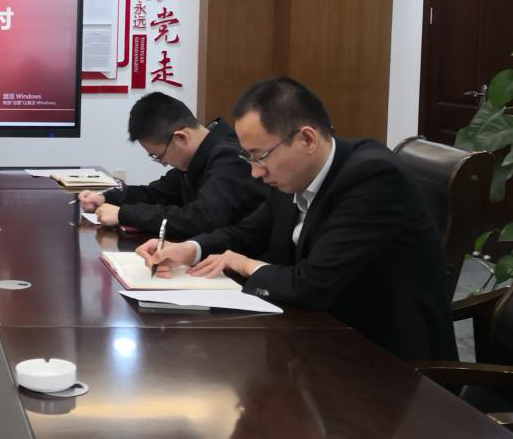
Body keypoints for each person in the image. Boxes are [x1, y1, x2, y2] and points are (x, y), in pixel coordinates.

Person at [139, 76, 456, 361]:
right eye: (248, 157)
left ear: (307, 139)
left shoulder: (372, 178)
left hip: (384, 358)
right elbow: (247, 232)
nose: (255, 172)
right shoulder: (293, 175)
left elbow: (312, 285)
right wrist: (190, 249)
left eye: (260, 156)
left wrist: (244, 264)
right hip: (321, 335)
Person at [78, 92, 267, 238]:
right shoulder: (197, 156)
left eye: (159, 156)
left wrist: (124, 214)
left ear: (181, 138)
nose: (163, 164)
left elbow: (201, 219)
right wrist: (107, 198)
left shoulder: (230, 158)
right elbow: (157, 194)